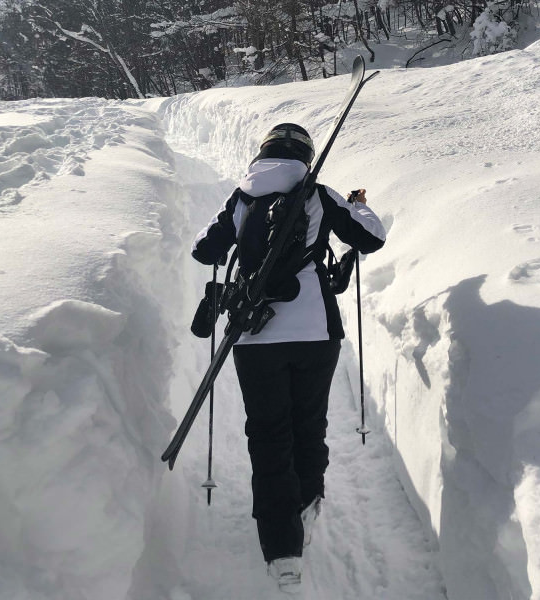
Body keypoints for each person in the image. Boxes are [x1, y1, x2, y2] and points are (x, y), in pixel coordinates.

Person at [191, 123, 386, 592]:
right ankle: (307, 503)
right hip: (316, 331)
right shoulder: (318, 193)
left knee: (268, 435)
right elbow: (370, 239)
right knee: (308, 422)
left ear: (263, 154)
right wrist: (359, 204)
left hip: (254, 338)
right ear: (305, 156)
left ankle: (282, 552)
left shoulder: (241, 198)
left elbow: (204, 251)